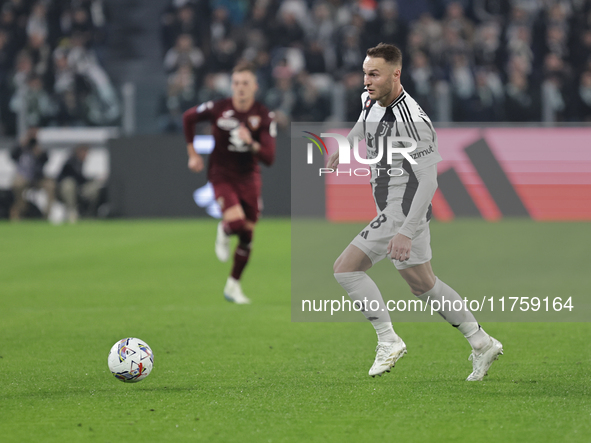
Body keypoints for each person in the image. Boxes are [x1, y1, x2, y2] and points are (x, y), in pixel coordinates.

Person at [328, 43, 503, 380]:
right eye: (365, 73)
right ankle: (481, 342)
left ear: (396, 74)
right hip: (395, 209)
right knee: (423, 284)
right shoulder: (371, 100)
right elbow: (363, 125)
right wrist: (345, 145)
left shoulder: (414, 121)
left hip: (401, 210)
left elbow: (428, 182)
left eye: (374, 74)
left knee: (345, 270)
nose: (367, 80)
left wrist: (406, 230)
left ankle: (388, 340)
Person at [182, 61, 276, 304]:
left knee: (247, 235)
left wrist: (250, 142)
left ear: (255, 86)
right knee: (235, 223)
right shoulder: (218, 108)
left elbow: (269, 157)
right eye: (236, 83)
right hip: (221, 174)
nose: (240, 88)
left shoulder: (263, 115)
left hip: (249, 177)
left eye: (245, 83)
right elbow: (188, 117)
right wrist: (192, 153)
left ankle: (233, 286)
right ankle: (223, 229)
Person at [10, 127, 55, 220]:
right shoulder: (22, 146)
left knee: (51, 185)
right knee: (17, 184)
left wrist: (39, 152)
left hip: (38, 177)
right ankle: (20, 208)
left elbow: (46, 160)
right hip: (23, 176)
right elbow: (12, 156)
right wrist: (22, 144)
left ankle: (46, 214)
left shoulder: (38, 146)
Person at [57, 144, 103, 223]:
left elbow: (81, 178)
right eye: (84, 152)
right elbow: (74, 177)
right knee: (69, 184)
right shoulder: (70, 162)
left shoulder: (80, 163)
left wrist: (93, 180)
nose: (86, 155)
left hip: (78, 189)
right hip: (64, 190)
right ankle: (71, 212)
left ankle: (89, 213)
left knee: (94, 187)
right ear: (79, 151)